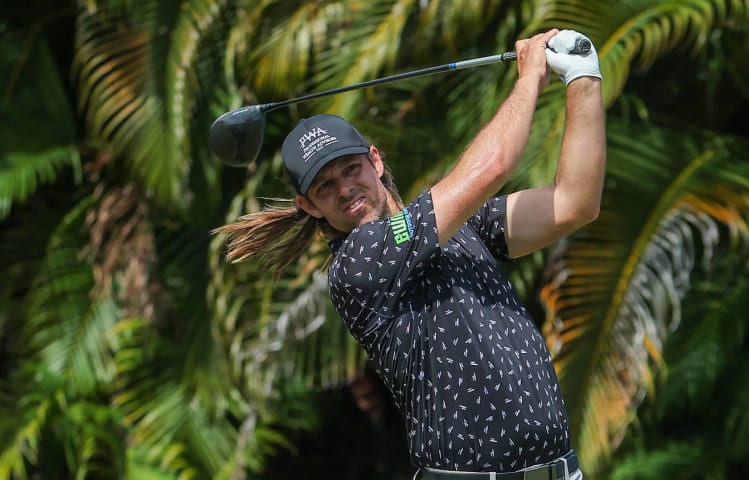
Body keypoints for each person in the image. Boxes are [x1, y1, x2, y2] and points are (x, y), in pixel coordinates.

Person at [215, 28, 605, 479]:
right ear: (308, 205)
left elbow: (573, 204)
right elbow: (492, 167)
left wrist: (582, 75)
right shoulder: (358, 262)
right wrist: (530, 77)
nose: (345, 189)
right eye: (325, 185)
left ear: (375, 161)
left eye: (351, 168)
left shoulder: (461, 228)